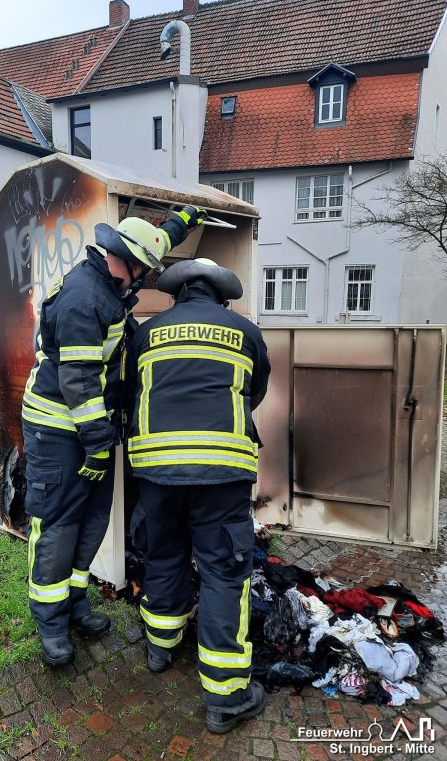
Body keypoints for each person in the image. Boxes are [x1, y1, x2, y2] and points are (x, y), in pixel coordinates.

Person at [22, 207, 207, 666]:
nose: (144, 279)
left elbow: (155, 240)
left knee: (92, 524)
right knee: (59, 527)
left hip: (91, 432)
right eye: (143, 270)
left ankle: (76, 602)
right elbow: (79, 384)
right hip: (60, 430)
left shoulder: (109, 282)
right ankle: (51, 622)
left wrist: (182, 222)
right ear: (125, 260)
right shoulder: (85, 300)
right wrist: (99, 445)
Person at [125, 257, 271, 734]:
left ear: (176, 294)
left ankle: (160, 648)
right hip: (221, 474)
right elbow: (255, 391)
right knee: (225, 573)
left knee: (163, 555)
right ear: (221, 296)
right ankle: (227, 698)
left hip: (156, 472)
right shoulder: (245, 331)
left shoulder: (147, 333)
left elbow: (133, 393)